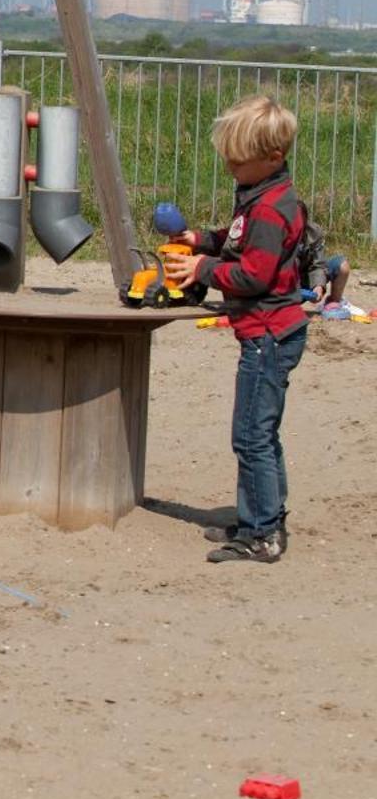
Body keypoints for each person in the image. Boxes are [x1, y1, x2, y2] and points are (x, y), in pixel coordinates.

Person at [162, 95, 307, 564]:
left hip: (267, 334)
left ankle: (263, 534)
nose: (230, 168)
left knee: (250, 436)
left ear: (272, 158)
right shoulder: (263, 196)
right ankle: (261, 516)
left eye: (237, 161)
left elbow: (253, 276)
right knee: (261, 432)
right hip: (270, 332)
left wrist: (202, 269)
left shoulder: (268, 209)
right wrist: (201, 241)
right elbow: (236, 239)